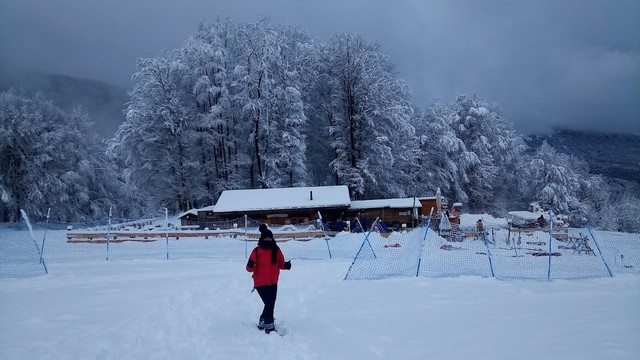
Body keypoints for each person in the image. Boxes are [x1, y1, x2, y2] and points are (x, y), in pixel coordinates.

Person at [246, 224, 291, 333]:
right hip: (260, 282)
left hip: (273, 282)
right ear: (262, 239)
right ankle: (269, 327)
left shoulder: (276, 250)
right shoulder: (256, 251)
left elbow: (280, 263)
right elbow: (248, 268)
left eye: (269, 238)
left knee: (270, 304)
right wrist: (252, 265)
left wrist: (286, 265)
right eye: (266, 238)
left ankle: (263, 321)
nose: (268, 240)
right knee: (270, 304)